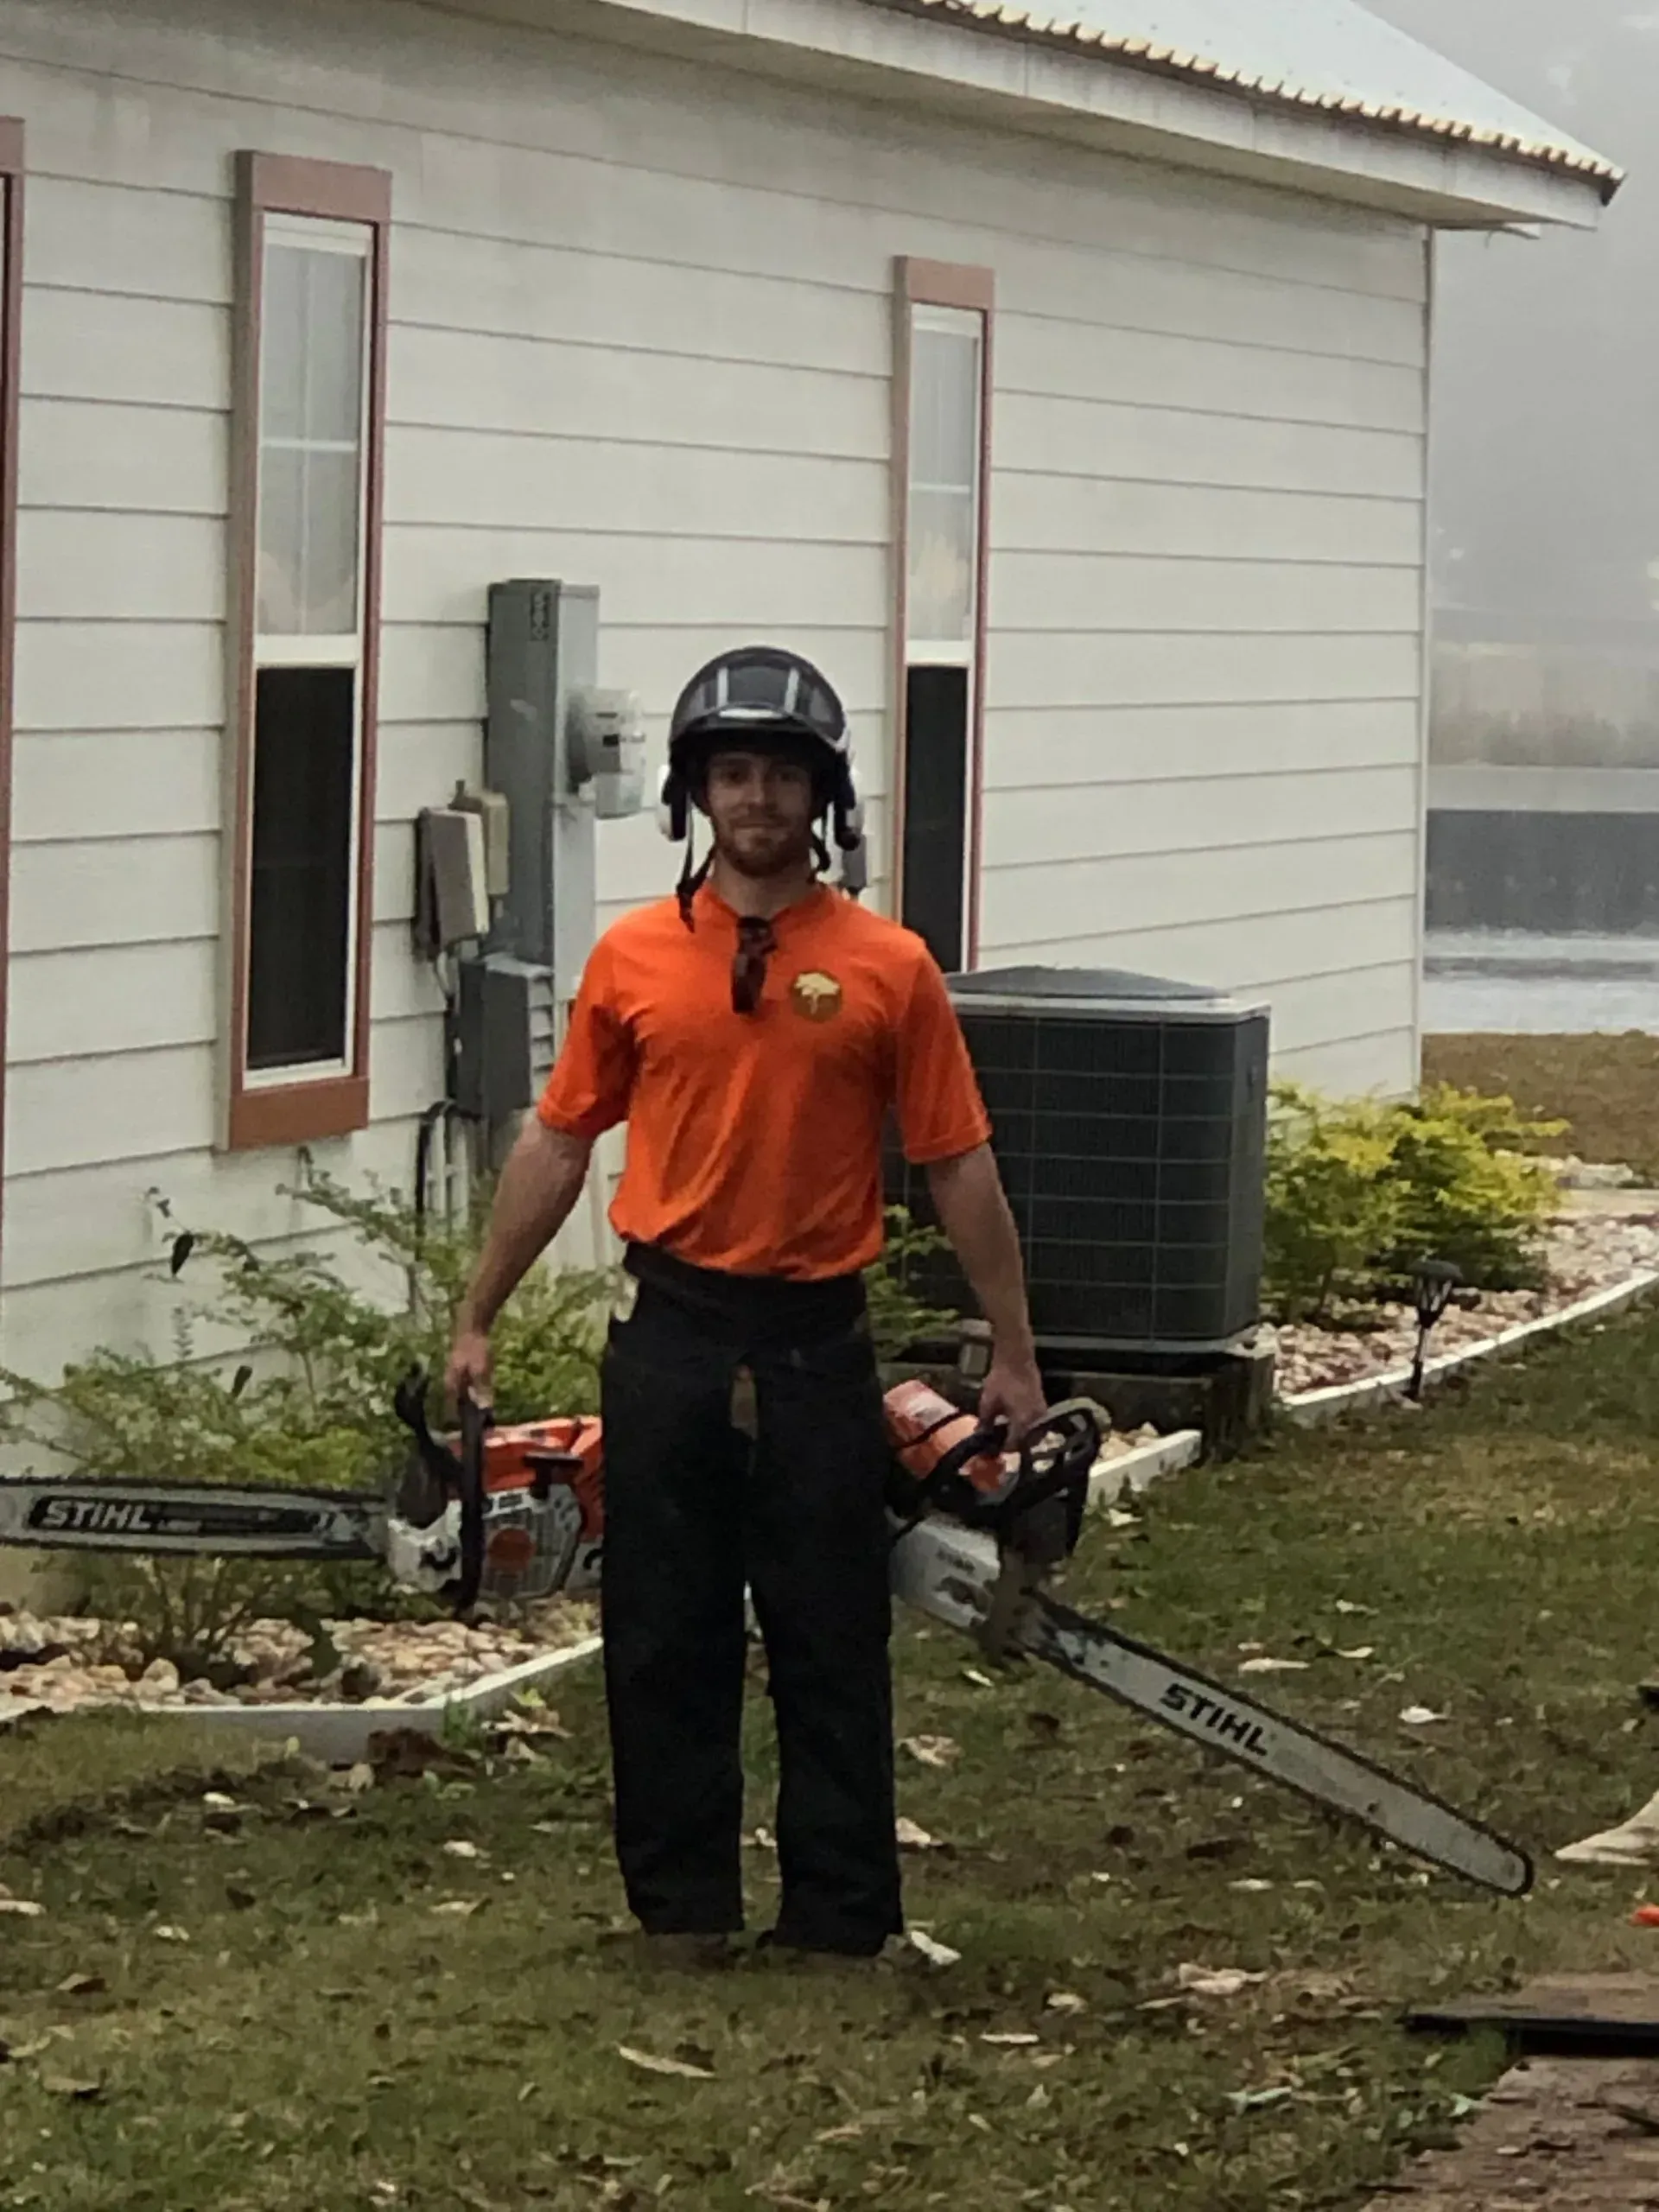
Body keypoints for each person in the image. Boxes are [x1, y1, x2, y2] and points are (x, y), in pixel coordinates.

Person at [446, 644, 1046, 1963]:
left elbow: (957, 1159)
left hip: (815, 1341)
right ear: (693, 794)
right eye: (733, 773)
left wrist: (1014, 1346)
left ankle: (840, 1924)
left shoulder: (889, 967)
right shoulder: (634, 959)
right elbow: (558, 1141)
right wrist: (478, 1309)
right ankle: (681, 1918)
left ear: (821, 799)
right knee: (665, 1633)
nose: (757, 799)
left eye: (782, 774)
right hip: (667, 1335)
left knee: (830, 1634)